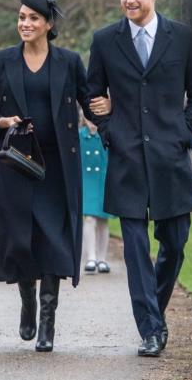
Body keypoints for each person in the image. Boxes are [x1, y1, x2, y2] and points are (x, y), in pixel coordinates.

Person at [86, 0, 192, 357]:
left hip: (170, 158)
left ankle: (151, 312)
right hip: (125, 159)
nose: (129, 0)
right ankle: (151, 328)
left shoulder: (184, 38)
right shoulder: (105, 41)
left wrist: (184, 135)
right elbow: (92, 97)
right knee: (135, 246)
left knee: (174, 243)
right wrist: (108, 132)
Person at [0, 0, 97, 352]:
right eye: (21, 17)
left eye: (32, 18)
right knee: (21, 241)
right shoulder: (0, 62)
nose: (24, 24)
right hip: (16, 165)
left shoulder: (68, 62)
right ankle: (27, 300)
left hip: (58, 167)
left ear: (48, 23)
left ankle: (48, 321)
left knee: (54, 241)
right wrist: (2, 121)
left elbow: (89, 101)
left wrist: (107, 113)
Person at [79, 117, 113, 274]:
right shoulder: (80, 136)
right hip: (87, 181)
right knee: (89, 218)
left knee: (102, 220)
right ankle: (91, 257)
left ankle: (102, 258)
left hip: (104, 181)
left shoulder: (106, 134)